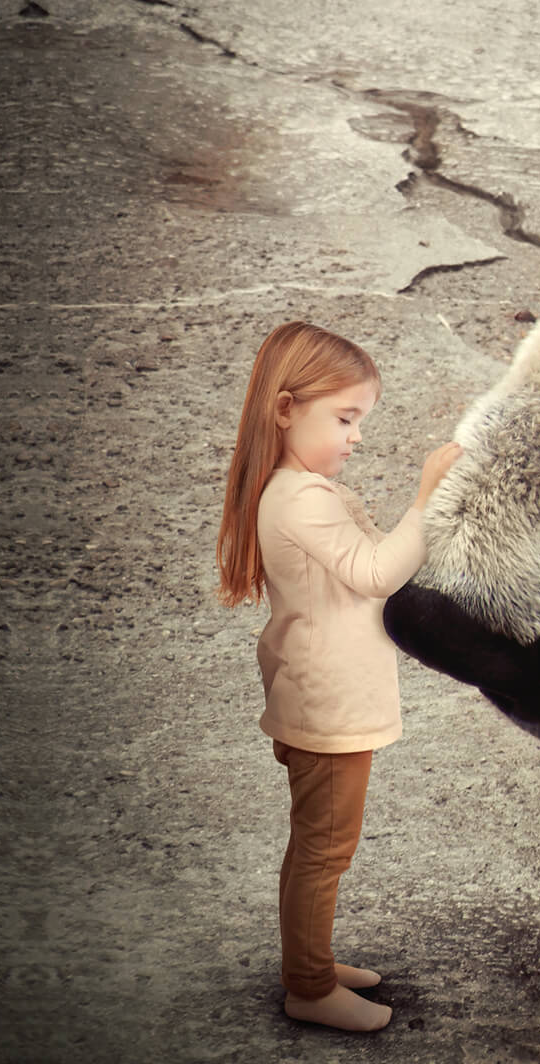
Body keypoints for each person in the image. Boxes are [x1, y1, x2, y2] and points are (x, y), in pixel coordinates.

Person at [216, 321, 461, 1032]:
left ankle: (309, 962)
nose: (357, 436)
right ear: (286, 409)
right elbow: (377, 571)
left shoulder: (296, 491)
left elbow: (365, 570)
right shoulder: (304, 500)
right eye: (346, 418)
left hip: (318, 698)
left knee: (315, 847)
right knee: (324, 850)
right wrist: (428, 497)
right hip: (327, 710)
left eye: (361, 420)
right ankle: (310, 987)